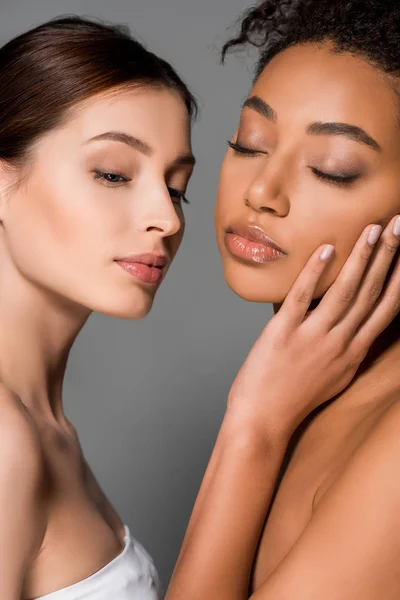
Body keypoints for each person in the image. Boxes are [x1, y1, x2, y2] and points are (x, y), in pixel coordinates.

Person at [166, 1, 400, 598]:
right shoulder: (300, 386)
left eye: (333, 168)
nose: (262, 192)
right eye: (250, 142)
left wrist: (254, 426)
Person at [0, 15, 197, 599]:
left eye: (177, 185)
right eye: (113, 173)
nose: (167, 217)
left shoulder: (45, 428)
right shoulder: (6, 441)